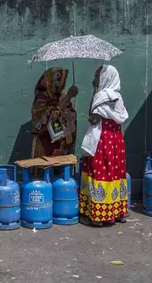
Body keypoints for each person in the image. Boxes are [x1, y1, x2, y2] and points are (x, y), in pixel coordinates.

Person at [79, 65, 129, 227]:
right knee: (115, 172)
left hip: (102, 139)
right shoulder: (118, 97)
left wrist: (94, 92)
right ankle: (119, 212)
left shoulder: (101, 95)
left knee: (99, 171)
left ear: (105, 78)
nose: (95, 79)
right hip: (116, 140)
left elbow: (92, 118)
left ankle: (98, 216)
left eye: (97, 76)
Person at [31, 67, 78, 159]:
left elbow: (69, 113)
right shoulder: (41, 99)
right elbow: (51, 115)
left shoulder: (61, 96)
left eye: (61, 82)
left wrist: (69, 113)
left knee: (60, 171)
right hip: (44, 144)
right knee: (44, 170)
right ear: (49, 82)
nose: (60, 86)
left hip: (60, 145)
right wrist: (68, 96)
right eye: (57, 82)